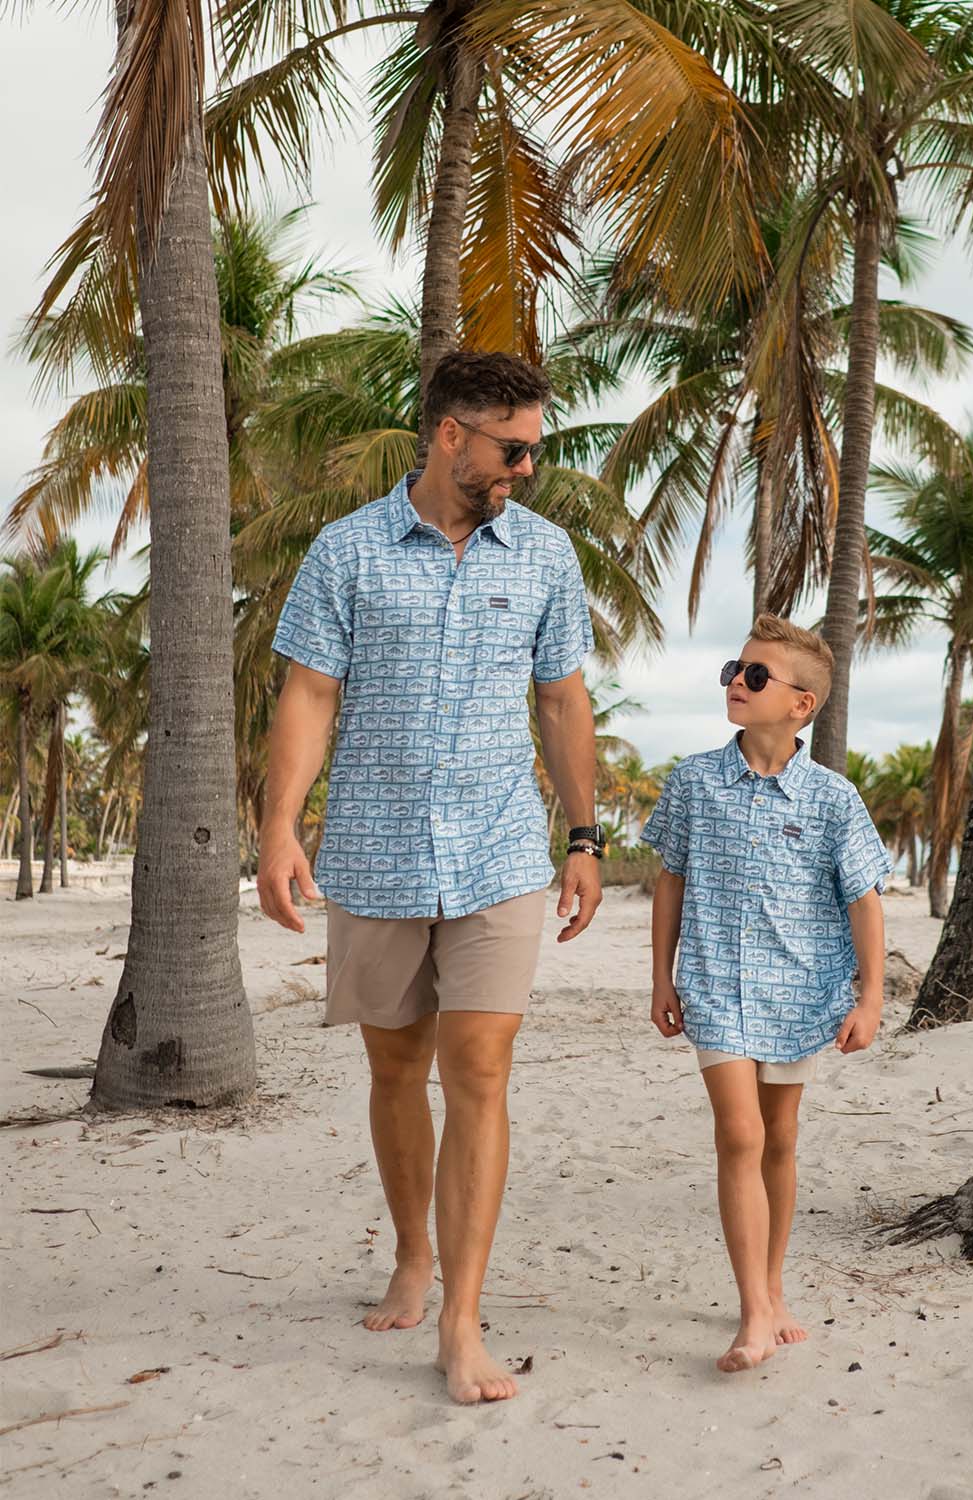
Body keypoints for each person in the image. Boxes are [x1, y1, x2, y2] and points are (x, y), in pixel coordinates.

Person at [257, 350, 606, 1405]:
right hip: (376, 851)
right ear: (450, 433)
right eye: (515, 447)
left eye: (536, 448)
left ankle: (461, 1319)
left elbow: (561, 700)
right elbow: (310, 693)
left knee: (482, 1072)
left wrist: (584, 836)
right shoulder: (346, 551)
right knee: (396, 1072)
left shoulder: (544, 556)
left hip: (501, 851)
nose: (529, 468)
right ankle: (412, 1248)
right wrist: (278, 825)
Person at [641, 613, 890, 1374]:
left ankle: (775, 1291)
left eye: (755, 676)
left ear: (800, 705)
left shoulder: (832, 799)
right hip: (716, 986)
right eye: (733, 670)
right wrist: (662, 975)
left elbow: (864, 900)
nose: (736, 684)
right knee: (740, 1136)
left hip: (801, 994)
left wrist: (871, 997)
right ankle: (753, 1312)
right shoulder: (693, 780)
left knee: (778, 1141)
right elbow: (670, 879)